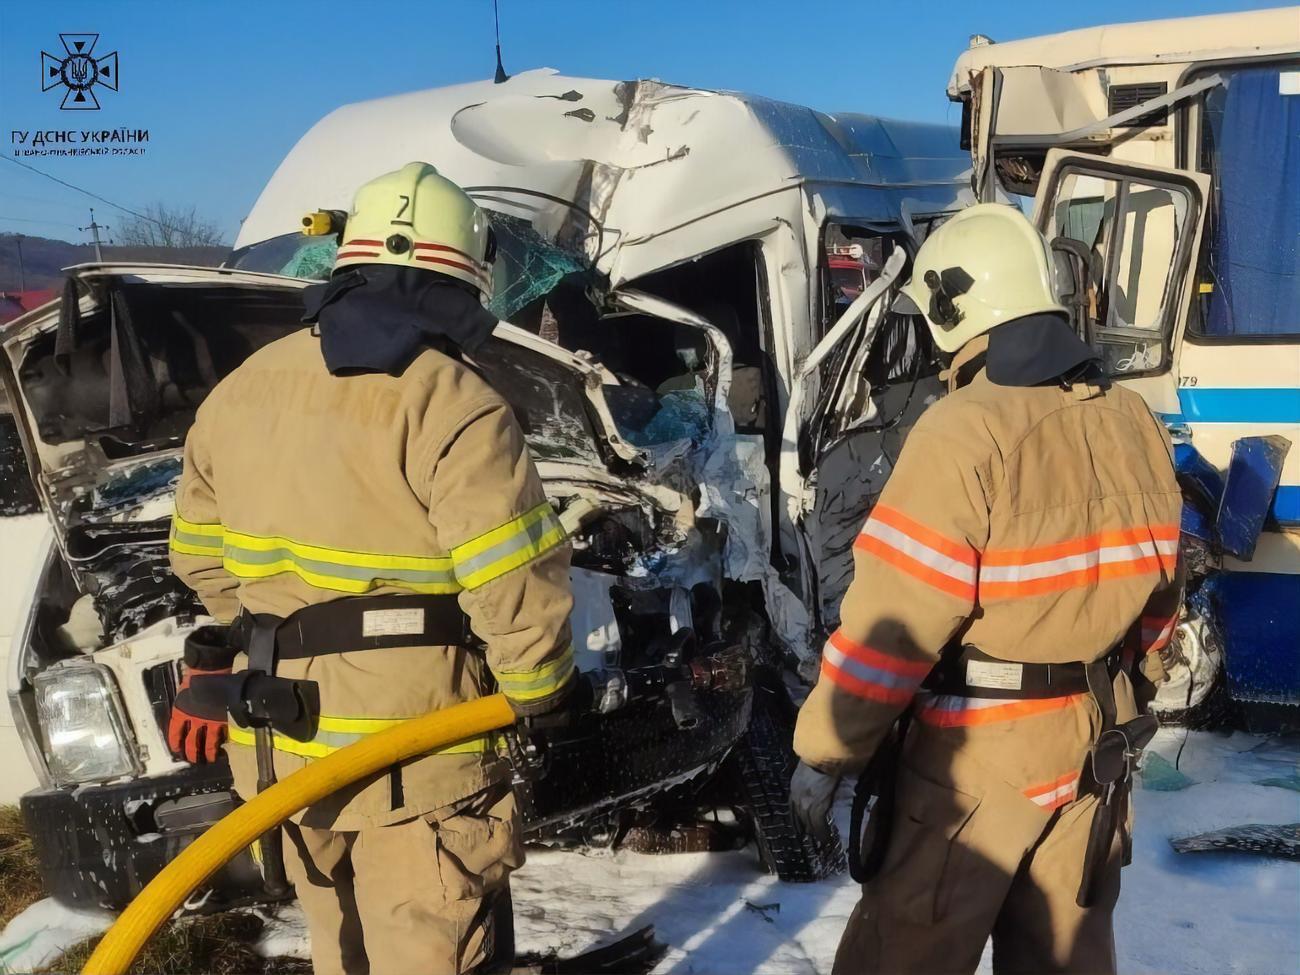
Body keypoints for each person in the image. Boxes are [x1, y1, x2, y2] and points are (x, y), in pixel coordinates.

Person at [165, 161, 576, 975]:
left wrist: (279, 617)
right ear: (464, 273)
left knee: (339, 950)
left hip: (285, 752)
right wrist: (542, 693)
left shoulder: (245, 388)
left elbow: (197, 558)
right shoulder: (452, 400)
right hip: (415, 762)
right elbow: (512, 581)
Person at [790, 203, 1181, 974]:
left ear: (952, 312)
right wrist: (1132, 687)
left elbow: (894, 627)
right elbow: (1160, 605)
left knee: (901, 953)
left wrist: (825, 751)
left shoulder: (964, 431)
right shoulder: (1133, 419)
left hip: (977, 766)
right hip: (1096, 750)